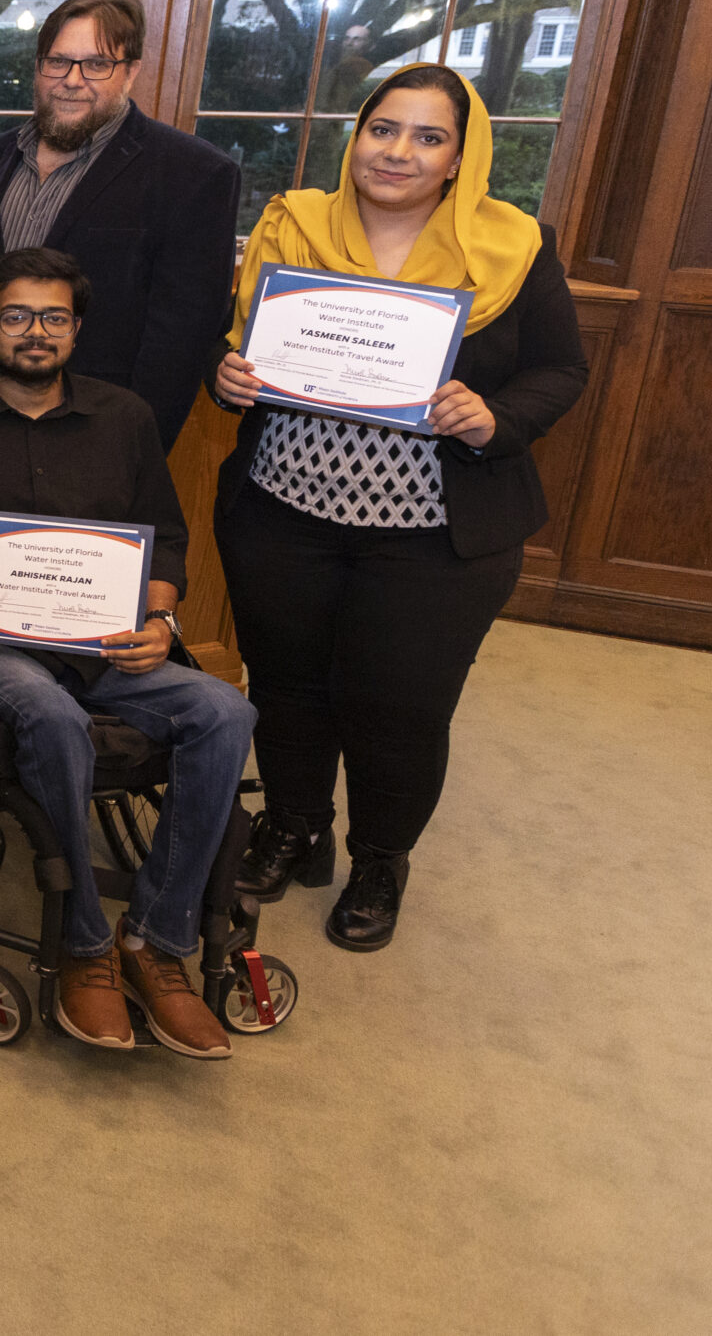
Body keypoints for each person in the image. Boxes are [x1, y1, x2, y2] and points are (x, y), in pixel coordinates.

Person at [213, 64, 587, 951]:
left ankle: (381, 858)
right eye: (383, 128)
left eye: (428, 137)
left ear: (460, 157)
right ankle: (295, 825)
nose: (399, 151)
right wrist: (225, 377)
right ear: (358, 136)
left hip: (435, 536)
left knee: (400, 704)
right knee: (286, 684)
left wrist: (495, 417)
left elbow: (561, 369)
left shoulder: (514, 246)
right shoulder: (293, 225)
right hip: (283, 512)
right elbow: (239, 347)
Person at [0, 246, 251, 1059]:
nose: (34, 332)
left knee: (226, 710)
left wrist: (160, 617)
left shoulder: (126, 418)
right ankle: (83, 943)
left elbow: (166, 535)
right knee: (49, 715)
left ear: (76, 331)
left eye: (53, 317)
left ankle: (155, 939)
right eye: (16, 316)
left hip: (108, 644)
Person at [0, 0, 240, 451]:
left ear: (131, 71)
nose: (72, 80)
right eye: (58, 61)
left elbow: (180, 341)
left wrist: (132, 455)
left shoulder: (194, 174)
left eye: (97, 64)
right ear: (38, 67)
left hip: (90, 440)